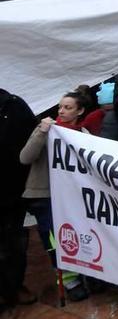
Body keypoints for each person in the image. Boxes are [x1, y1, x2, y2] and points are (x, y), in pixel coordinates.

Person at [19, 90, 93, 301]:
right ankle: (69, 280)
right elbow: (25, 157)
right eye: (60, 106)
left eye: (68, 107)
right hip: (45, 196)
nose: (61, 111)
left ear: (80, 111)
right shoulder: (47, 130)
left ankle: (89, 273)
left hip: (73, 195)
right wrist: (41, 132)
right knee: (56, 239)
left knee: (79, 235)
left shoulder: (83, 133)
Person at [0, 88, 37, 310]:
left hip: (14, 191)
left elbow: (33, 137)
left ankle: (15, 285)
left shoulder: (14, 105)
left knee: (16, 243)